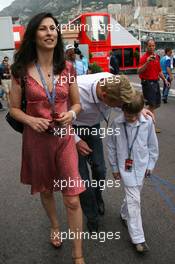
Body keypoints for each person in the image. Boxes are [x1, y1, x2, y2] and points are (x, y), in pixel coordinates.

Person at [10, 12, 85, 264]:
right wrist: (31, 120)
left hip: (64, 139)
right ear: (34, 34)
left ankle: (78, 255)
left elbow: (77, 105)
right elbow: (13, 108)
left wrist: (71, 115)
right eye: (43, 29)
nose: (50, 32)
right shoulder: (20, 70)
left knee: (72, 198)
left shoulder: (68, 67)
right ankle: (55, 225)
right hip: (37, 139)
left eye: (53, 28)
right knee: (46, 189)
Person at [74, 73, 145, 233]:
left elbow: (130, 100)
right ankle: (92, 216)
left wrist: (141, 110)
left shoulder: (113, 81)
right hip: (72, 128)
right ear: (104, 96)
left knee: (100, 169)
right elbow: (58, 118)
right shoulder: (76, 88)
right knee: (83, 179)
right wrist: (76, 140)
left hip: (93, 127)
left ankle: (97, 197)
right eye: (119, 105)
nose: (122, 108)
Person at [107, 91, 159, 253]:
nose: (131, 119)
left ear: (141, 110)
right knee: (135, 201)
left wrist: (150, 164)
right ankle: (138, 239)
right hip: (125, 168)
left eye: (134, 115)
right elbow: (111, 146)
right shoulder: (116, 124)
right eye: (128, 115)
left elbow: (152, 145)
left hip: (142, 167)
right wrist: (114, 168)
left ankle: (124, 213)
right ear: (122, 109)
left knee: (133, 197)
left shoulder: (148, 122)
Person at [138, 39, 169, 133]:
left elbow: (159, 70)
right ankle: (150, 126)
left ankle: (139, 112)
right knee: (152, 105)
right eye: (149, 46)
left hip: (155, 83)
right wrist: (147, 62)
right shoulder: (144, 58)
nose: (151, 47)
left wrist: (165, 80)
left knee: (156, 104)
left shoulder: (156, 57)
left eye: (153, 45)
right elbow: (138, 71)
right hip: (147, 83)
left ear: (155, 46)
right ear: (146, 46)